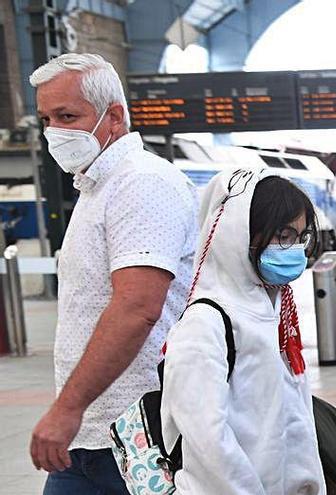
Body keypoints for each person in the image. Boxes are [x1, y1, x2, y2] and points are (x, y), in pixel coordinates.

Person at [27, 53, 199, 494]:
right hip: (91, 435)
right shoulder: (98, 185)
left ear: (115, 117)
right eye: (46, 118)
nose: (55, 132)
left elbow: (137, 307)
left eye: (67, 116)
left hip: (136, 435)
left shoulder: (141, 183)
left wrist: (67, 409)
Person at [161, 169, 325, 494]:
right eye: (283, 235)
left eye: (301, 236)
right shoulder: (205, 322)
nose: (295, 249)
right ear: (239, 234)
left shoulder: (273, 312)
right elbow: (208, 441)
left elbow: (292, 421)